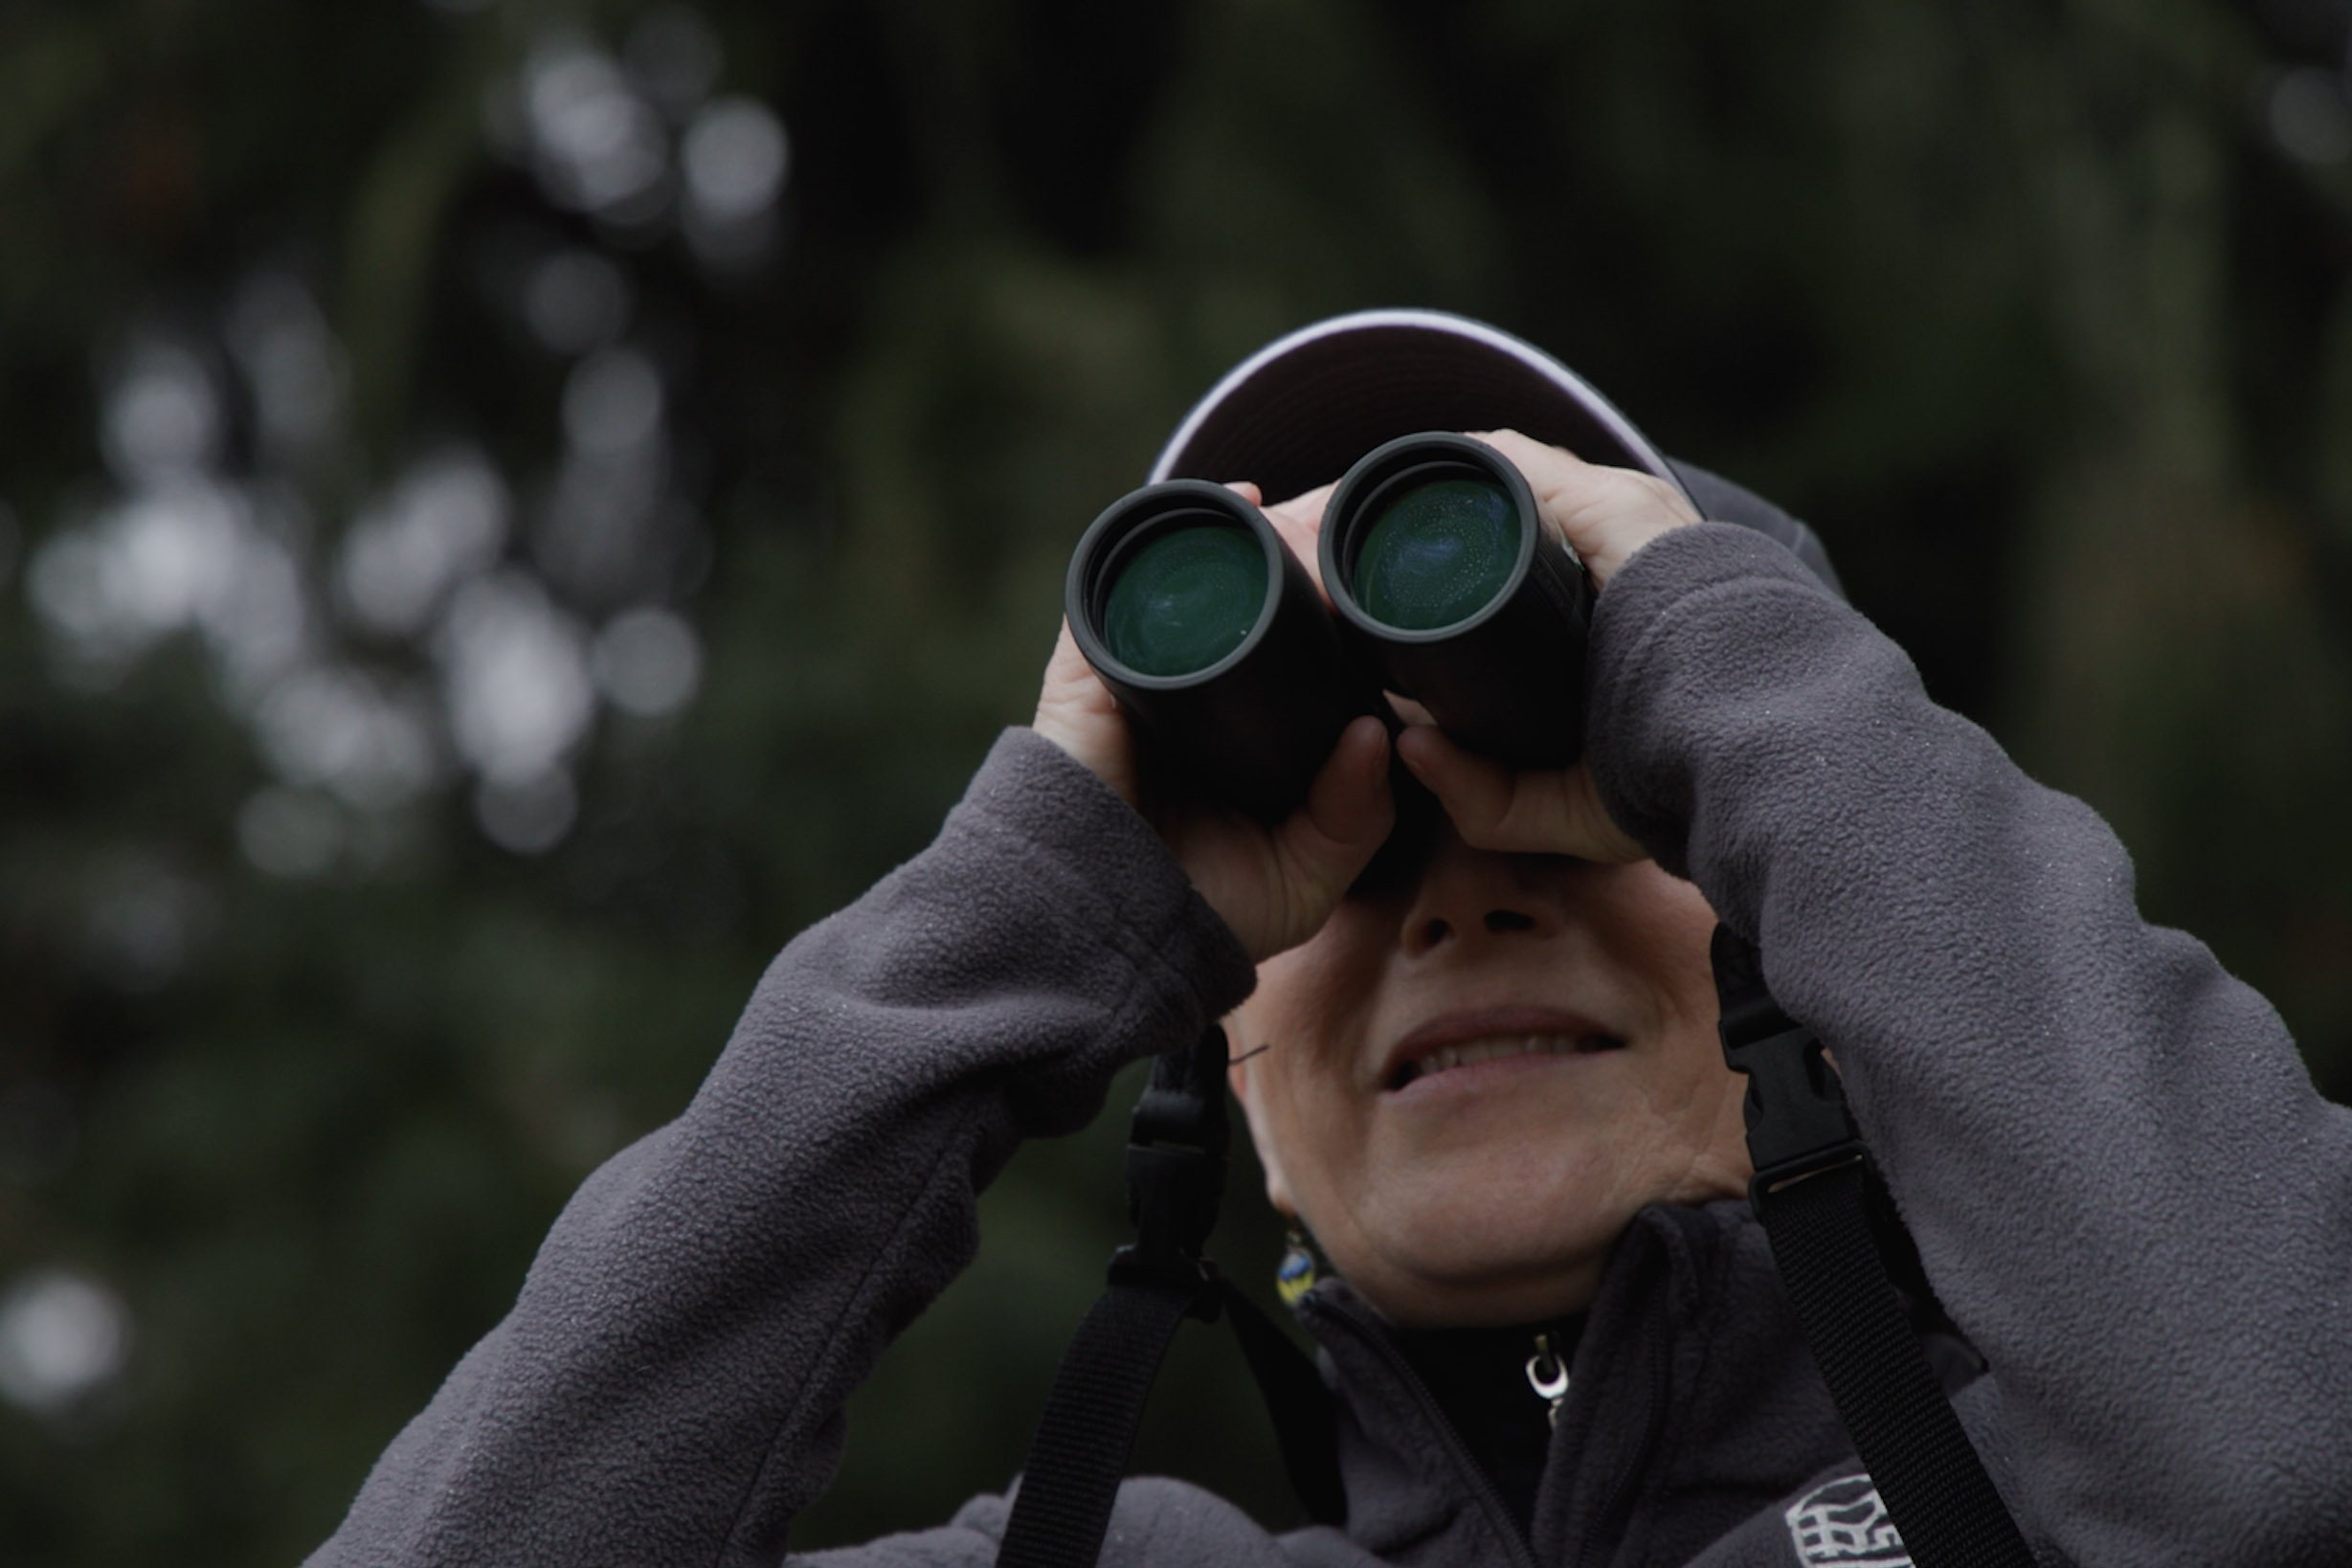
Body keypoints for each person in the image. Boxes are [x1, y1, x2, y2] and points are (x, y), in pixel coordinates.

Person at [307, 315, 2352, 1568]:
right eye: (1352, 866)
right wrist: (1019, 911)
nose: (1455, 893)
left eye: (1584, 821)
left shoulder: (2080, 1489)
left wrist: (1718, 679)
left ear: (1818, 934)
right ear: (1228, 1075)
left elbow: (2283, 1463)